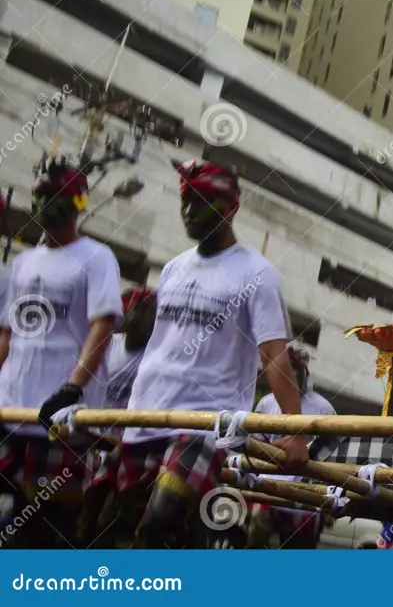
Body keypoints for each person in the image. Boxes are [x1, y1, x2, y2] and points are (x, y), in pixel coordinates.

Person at [85, 159, 307, 549]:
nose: (190, 212)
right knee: (104, 528)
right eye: (186, 202)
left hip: (203, 426)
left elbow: (273, 355)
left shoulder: (257, 273)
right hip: (142, 418)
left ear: (230, 208)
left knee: (161, 520)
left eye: (203, 203)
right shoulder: (172, 269)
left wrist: (295, 432)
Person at [0, 157, 122, 548]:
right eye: (38, 195)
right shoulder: (23, 263)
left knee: (49, 531)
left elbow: (102, 326)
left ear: (76, 203)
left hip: (59, 422)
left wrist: (73, 387)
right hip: (10, 411)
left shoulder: (96, 257)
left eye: (52, 195)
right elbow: (7, 333)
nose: (43, 203)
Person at [247, 346, 335, 549]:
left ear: (306, 373)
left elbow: (333, 457)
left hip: (304, 495)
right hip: (266, 490)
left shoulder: (323, 408)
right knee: (253, 545)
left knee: (299, 549)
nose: (295, 376)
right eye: (290, 369)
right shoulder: (267, 404)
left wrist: (329, 502)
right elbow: (254, 446)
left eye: (299, 371)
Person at [103, 287, 157, 411]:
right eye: (138, 309)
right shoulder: (108, 345)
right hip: (95, 420)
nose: (139, 318)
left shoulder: (154, 357)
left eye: (148, 312)